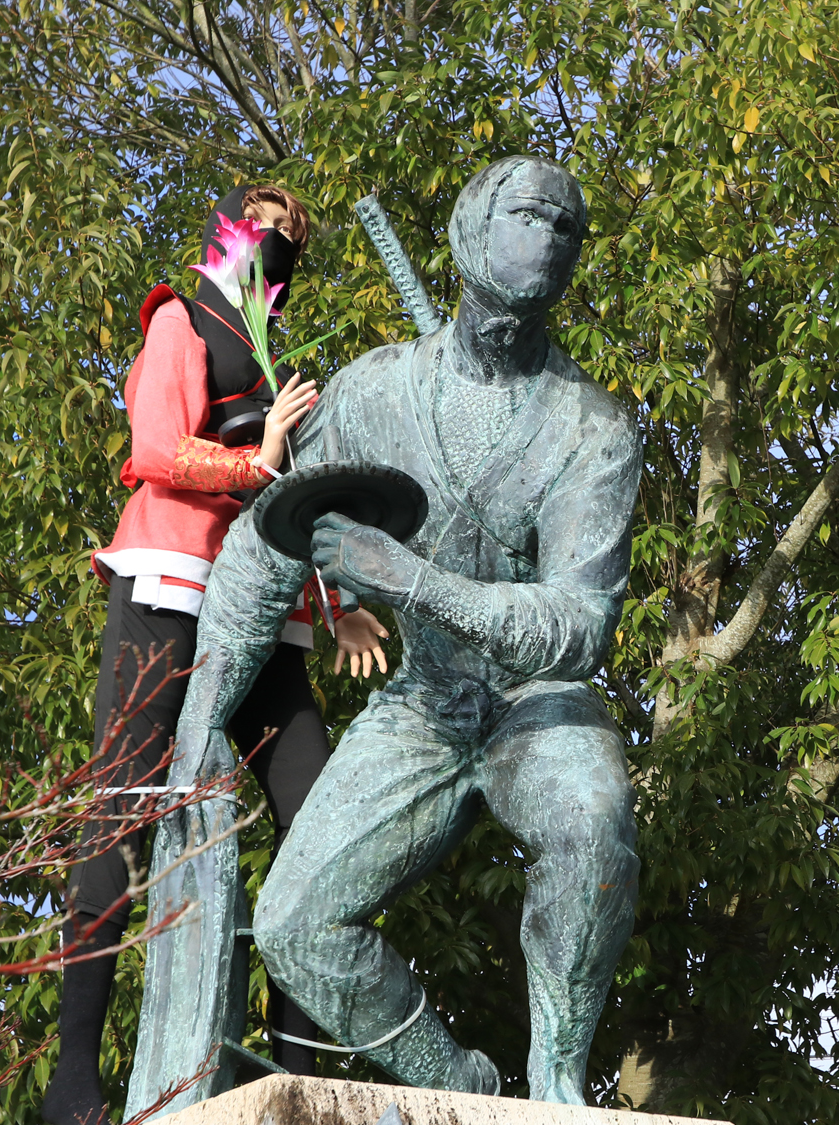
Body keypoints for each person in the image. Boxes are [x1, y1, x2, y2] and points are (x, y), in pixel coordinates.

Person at [161, 156, 640, 1105]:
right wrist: (199, 716)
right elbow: (263, 560)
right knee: (296, 924)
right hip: (422, 705)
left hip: (533, 703)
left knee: (594, 824)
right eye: (526, 215)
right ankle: (452, 1081)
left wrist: (414, 579)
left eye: (566, 226)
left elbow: (579, 625)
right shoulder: (374, 394)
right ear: (472, 232)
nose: (546, 237)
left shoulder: (595, 430)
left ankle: (554, 1080)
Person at [42, 186, 392, 1125]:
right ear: (229, 227)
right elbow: (157, 447)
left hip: (261, 611)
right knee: (121, 810)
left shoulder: (274, 357)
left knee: (318, 820)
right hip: (166, 585)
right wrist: (260, 453)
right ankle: (73, 1079)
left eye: (299, 235)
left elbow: (282, 508)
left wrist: (337, 602)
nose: (284, 238)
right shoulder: (181, 321)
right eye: (269, 221)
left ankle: (297, 1068)